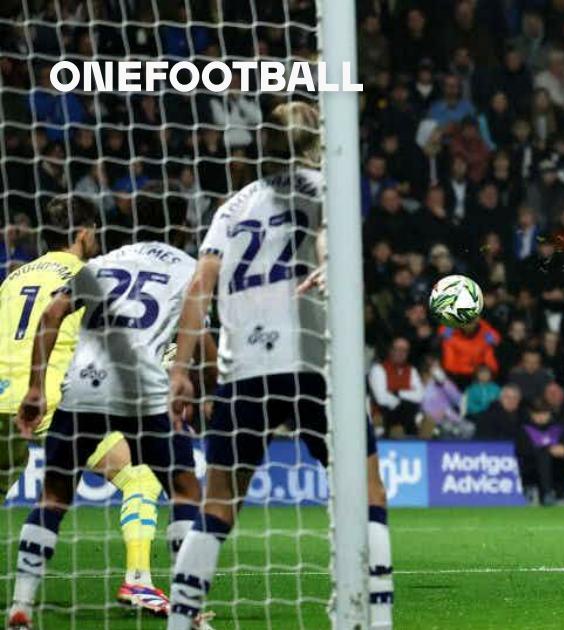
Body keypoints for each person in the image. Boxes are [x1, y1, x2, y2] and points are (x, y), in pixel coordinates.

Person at [165, 103, 393, 629]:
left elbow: (199, 287)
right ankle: (377, 623)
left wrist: (182, 370)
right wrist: (331, 265)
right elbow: (326, 241)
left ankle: (181, 622)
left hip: (244, 369)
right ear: (318, 139)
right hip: (313, 363)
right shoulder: (327, 185)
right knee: (367, 493)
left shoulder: (231, 207)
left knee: (217, 507)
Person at [6, 187, 207, 625]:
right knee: (154, 482)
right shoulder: (101, 269)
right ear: (82, 233)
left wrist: (27, 387)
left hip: (29, 393)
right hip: (95, 392)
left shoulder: (18, 276)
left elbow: (45, 318)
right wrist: (181, 369)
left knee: (50, 496)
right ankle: (153, 586)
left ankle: (20, 603)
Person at [515, 399, 564, 506]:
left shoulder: (557, 429)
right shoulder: (524, 430)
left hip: (556, 471)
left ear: (549, 414)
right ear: (532, 415)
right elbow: (522, 452)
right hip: (533, 472)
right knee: (544, 455)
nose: (541, 416)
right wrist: (547, 450)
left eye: (544, 413)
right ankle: (547, 494)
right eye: (537, 413)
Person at [368, 337, 425, 438]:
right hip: (383, 415)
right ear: (391, 350)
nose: (401, 353)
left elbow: (420, 395)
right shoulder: (379, 369)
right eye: (397, 349)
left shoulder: (411, 370)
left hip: (408, 415)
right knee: (397, 429)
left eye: (404, 351)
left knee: (427, 423)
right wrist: (405, 398)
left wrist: (397, 392)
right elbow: (382, 398)